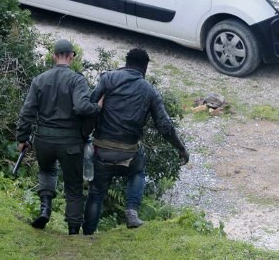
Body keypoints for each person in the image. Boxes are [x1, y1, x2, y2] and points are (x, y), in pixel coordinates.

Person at [82, 48, 189, 235]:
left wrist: (83, 135)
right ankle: (131, 211)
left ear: (126, 61)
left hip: (101, 150)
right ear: (145, 68)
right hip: (129, 153)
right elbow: (165, 126)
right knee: (138, 172)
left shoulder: (108, 79)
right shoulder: (149, 90)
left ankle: (88, 234)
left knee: (96, 193)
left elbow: (91, 105)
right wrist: (181, 148)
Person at [15, 39, 102, 235]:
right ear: (71, 56)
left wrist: (22, 138)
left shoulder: (40, 79)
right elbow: (81, 107)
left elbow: (27, 111)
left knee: (47, 172)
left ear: (54, 56)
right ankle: (72, 229)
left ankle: (45, 209)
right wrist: (97, 107)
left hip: (43, 140)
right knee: (73, 185)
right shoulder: (77, 80)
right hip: (70, 143)